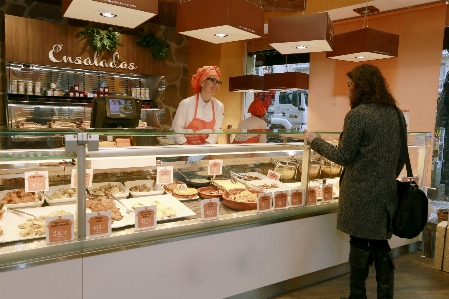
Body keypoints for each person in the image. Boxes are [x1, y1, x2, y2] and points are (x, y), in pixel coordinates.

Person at [304, 64, 406, 299]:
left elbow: (343, 156)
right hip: (385, 193)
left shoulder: (357, 115)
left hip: (359, 194)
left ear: (361, 87)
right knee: (381, 244)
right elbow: (401, 156)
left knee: (359, 242)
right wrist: (385, 178)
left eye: (350, 85)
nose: (348, 90)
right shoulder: (396, 113)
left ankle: (357, 296)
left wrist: (315, 140)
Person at [172, 66, 225, 145]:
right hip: (186, 151)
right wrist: (189, 152)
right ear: (202, 83)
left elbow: (216, 131)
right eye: (213, 80)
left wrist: (203, 151)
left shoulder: (219, 106)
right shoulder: (186, 104)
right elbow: (177, 129)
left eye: (218, 82)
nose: (216, 85)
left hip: (207, 151)